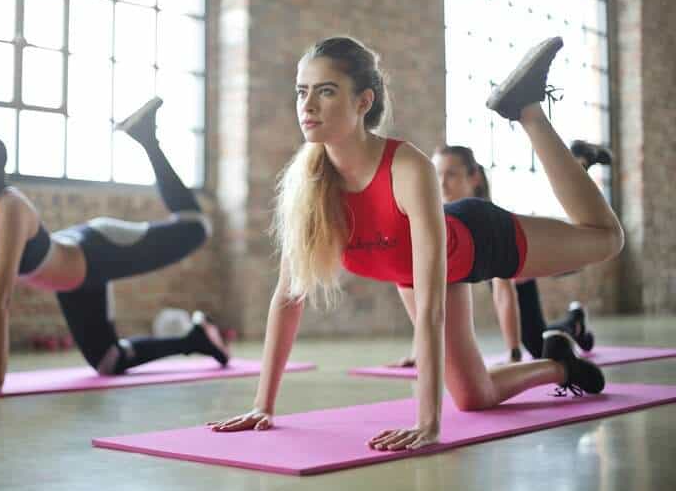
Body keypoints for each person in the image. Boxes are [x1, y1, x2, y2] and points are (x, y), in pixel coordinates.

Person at [208, 36, 623, 451]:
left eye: (326, 91)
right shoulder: (308, 184)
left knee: (606, 239)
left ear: (362, 101)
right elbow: (288, 296)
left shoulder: (407, 167)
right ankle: (560, 365)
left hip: (478, 241)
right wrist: (263, 406)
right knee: (474, 396)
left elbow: (431, 307)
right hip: (414, 273)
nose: (308, 104)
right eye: (302, 91)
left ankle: (528, 111)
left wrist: (428, 422)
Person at [0, 97, 228, 394]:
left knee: (196, 228)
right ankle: (196, 339)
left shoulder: (9, 206)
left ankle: (147, 138)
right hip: (73, 282)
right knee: (109, 361)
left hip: (98, 251)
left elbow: (0, 296)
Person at [390, 140, 611, 366]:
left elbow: (504, 293)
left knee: (536, 345)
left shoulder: (482, 221)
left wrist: (514, 354)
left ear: (474, 177)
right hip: (520, 265)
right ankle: (575, 321)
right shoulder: (443, 219)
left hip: (536, 259)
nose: (442, 184)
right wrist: (419, 352)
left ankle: (578, 164)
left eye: (451, 175)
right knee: (538, 340)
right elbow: (426, 295)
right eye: (438, 175)